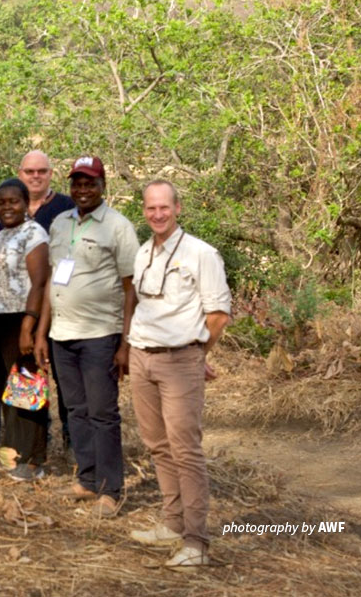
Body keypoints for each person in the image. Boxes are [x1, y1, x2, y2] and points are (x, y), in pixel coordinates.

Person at [127, 180, 231, 569]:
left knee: (186, 450)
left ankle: (196, 542)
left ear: (178, 208)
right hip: (142, 357)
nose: (157, 214)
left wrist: (195, 355)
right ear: (144, 210)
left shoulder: (200, 253)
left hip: (179, 360)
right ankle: (172, 524)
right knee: (157, 445)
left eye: (164, 208)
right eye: (151, 208)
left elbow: (218, 314)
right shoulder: (142, 253)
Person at [35, 156, 139, 517]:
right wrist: (41, 332)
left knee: (103, 413)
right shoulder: (60, 223)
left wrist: (125, 343)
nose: (82, 189)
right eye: (76, 182)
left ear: (103, 186)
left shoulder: (118, 227)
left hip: (100, 335)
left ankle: (111, 491)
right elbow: (51, 279)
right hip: (62, 334)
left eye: (89, 182)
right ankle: (88, 478)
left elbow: (131, 289)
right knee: (75, 410)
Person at [0, 179, 49, 477]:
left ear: (26, 203)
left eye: (13, 201)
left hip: (18, 321)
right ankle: (13, 453)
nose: (7, 207)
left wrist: (28, 326)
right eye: (1, 202)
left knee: (27, 389)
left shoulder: (33, 233)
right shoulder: (3, 235)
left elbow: (40, 282)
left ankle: (31, 460)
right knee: (10, 390)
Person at [19, 150, 77, 449]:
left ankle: (72, 441)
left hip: (58, 308)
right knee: (27, 376)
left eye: (41, 171)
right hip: (22, 311)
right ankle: (35, 440)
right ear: (21, 174)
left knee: (64, 379)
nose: (35, 176)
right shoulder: (12, 205)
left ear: (51, 174)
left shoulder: (66, 207)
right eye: (30, 172)